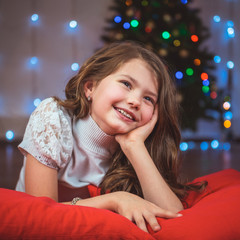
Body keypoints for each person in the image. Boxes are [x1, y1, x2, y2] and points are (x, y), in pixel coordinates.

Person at [16, 41, 205, 233]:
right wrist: (116, 200)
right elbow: (41, 216)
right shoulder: (53, 118)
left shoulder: (136, 145)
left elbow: (173, 214)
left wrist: (134, 147)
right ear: (90, 87)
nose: (135, 101)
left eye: (148, 99)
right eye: (126, 84)